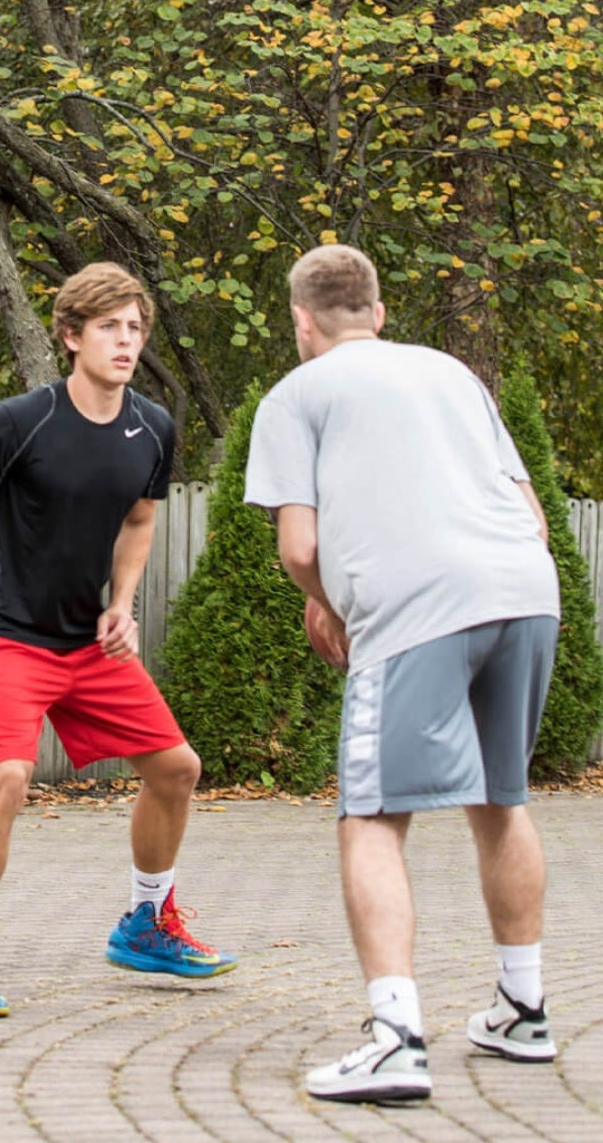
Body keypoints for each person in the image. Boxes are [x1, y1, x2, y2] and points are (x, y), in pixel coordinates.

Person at [244, 243, 561, 1103]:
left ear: (301, 324)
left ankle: (395, 1039)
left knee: (372, 814)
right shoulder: (454, 375)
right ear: (379, 313)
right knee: (502, 796)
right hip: (527, 590)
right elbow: (531, 513)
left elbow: (300, 546)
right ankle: (523, 1010)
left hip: (418, 607)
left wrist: (330, 603)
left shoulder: (297, 393)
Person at [0, 261, 237, 1017]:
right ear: (70, 336)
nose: (127, 342)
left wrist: (122, 603)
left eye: (136, 328)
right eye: (109, 328)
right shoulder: (21, 422)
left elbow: (141, 519)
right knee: (9, 779)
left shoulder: (153, 428)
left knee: (178, 768)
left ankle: (148, 923)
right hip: (8, 637)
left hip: (89, 645)